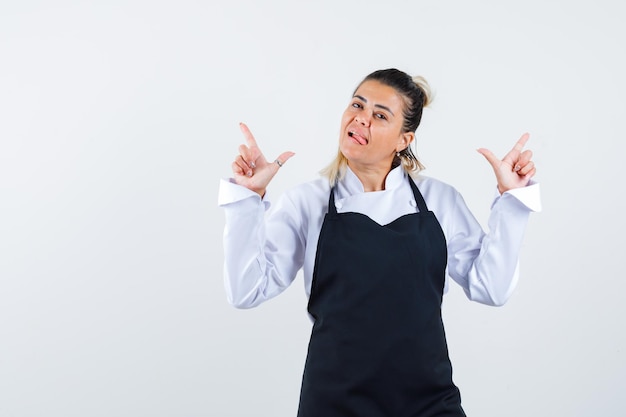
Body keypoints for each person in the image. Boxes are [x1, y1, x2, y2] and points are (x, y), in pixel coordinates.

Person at [218, 68, 541, 417]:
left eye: (380, 115)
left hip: (429, 404)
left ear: (404, 139)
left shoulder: (439, 201)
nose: (361, 119)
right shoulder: (307, 202)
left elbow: (491, 288)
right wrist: (245, 200)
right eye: (357, 105)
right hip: (333, 403)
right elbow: (246, 290)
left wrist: (514, 203)